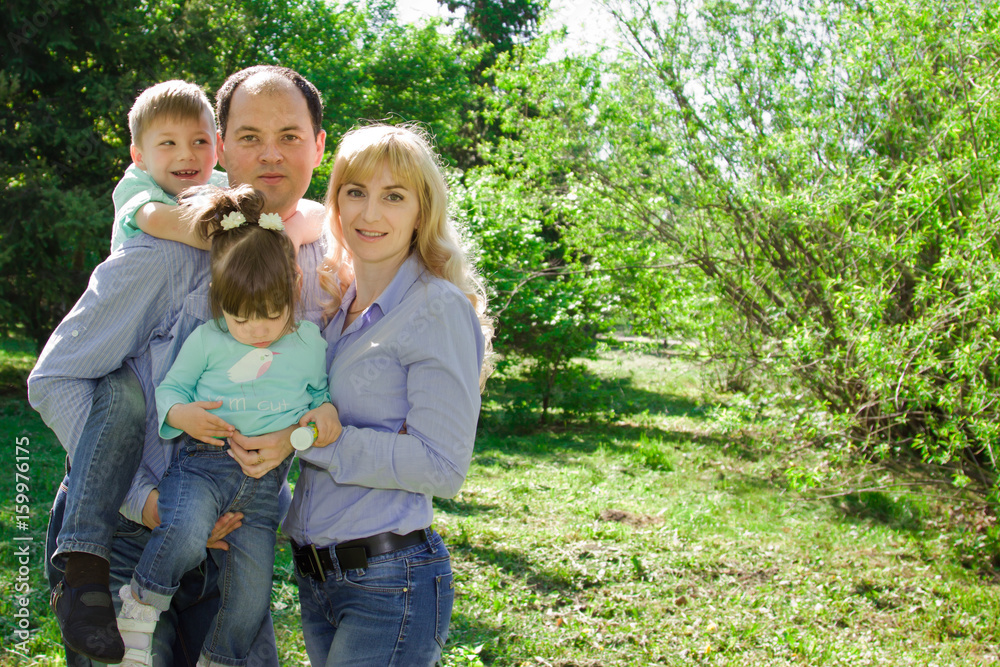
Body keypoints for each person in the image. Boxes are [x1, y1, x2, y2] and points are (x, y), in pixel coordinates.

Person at [29, 64, 330, 667]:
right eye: (249, 137)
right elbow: (55, 378)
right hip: (129, 538)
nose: (270, 154)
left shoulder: (323, 257)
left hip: (235, 528)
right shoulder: (164, 250)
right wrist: (144, 500)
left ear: (319, 146)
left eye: (289, 136)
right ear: (222, 147)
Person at [227, 123, 493, 666]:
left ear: (422, 211)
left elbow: (442, 466)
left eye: (393, 196)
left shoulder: (435, 308)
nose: (371, 214)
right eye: (356, 192)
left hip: (390, 582)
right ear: (336, 202)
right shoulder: (335, 305)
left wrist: (306, 441)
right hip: (320, 578)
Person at [41, 79, 226, 663]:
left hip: (204, 523)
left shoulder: (222, 195)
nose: (187, 156)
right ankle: (81, 558)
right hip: (131, 526)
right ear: (139, 156)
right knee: (120, 396)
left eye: (200, 141)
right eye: (168, 144)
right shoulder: (151, 227)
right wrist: (141, 501)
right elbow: (52, 379)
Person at [114, 185, 338, 667]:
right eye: (241, 317)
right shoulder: (208, 338)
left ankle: (220, 659)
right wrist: (181, 415)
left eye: (271, 315)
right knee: (186, 534)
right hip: (202, 466)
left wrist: (313, 426)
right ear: (220, 300)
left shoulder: (309, 345)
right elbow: (169, 390)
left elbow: (319, 405)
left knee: (252, 596)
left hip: (262, 492)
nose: (257, 329)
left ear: (293, 289)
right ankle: (140, 603)